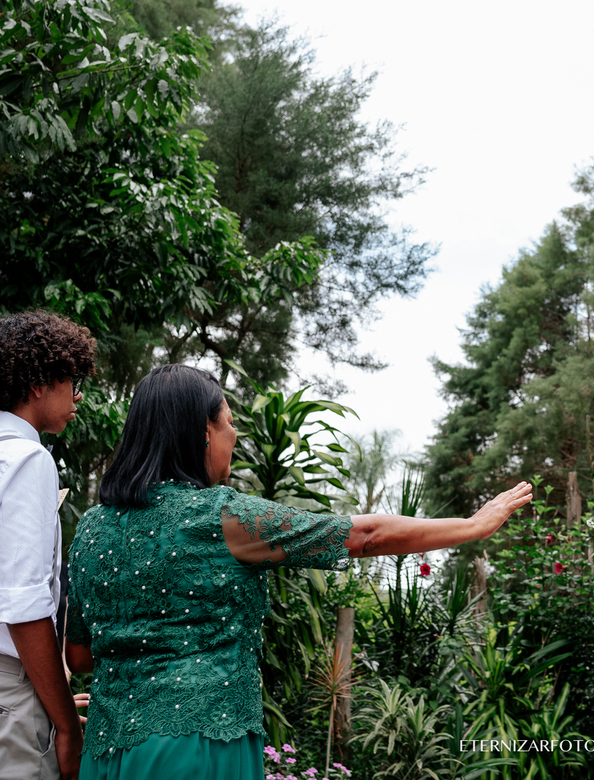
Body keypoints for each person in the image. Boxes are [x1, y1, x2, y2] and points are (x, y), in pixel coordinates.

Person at [64, 365, 531, 779]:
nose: (234, 439)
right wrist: (472, 525)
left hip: (106, 751)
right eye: (229, 425)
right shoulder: (221, 516)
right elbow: (365, 534)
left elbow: (81, 657)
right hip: (199, 744)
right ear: (203, 432)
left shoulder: (91, 529)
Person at [0, 311, 96, 780]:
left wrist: (49, 691)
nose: (77, 396)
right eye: (72, 381)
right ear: (39, 382)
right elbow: (22, 606)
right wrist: (64, 725)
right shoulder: (26, 457)